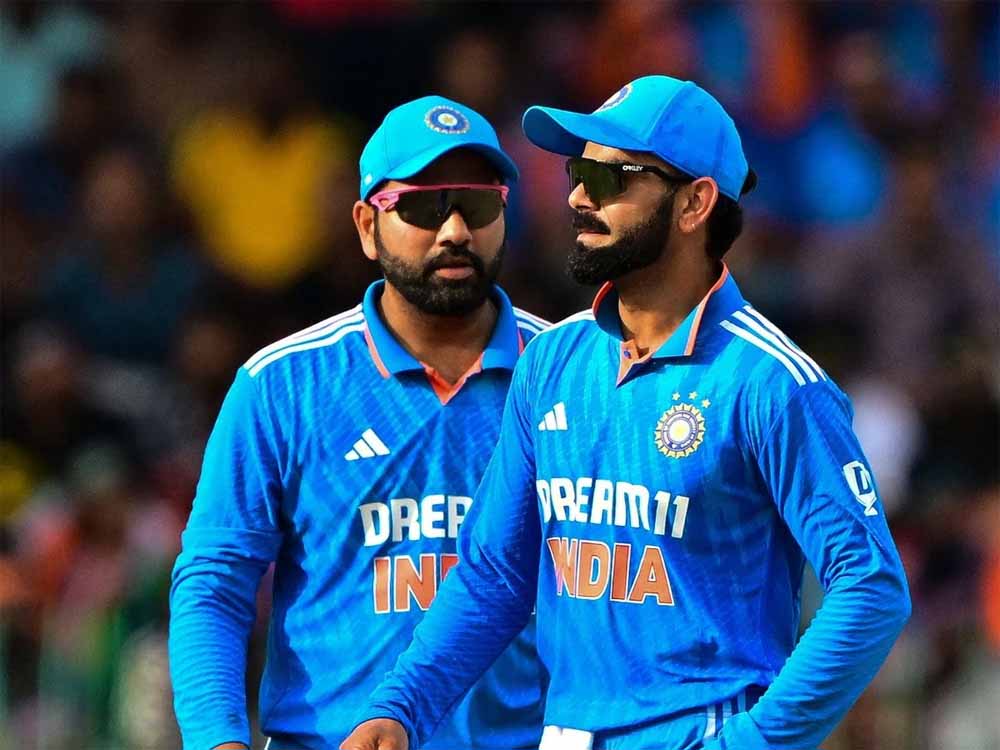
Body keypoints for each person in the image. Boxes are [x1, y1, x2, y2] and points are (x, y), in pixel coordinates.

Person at [343, 75, 911, 750]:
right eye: (578, 173)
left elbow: (870, 585)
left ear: (695, 203)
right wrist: (400, 708)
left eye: (610, 179)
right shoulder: (550, 362)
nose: (578, 197)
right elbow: (496, 573)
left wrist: (755, 742)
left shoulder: (771, 382)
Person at [169, 96, 547, 750]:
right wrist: (217, 740)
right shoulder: (282, 384)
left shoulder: (565, 374)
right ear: (367, 226)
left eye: (478, 204)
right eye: (424, 207)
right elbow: (214, 585)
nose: (455, 230)